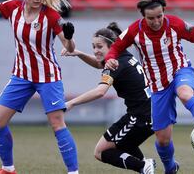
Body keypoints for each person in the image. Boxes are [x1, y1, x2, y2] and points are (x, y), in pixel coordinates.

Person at [104, 0, 194, 174]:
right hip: (157, 86)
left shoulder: (175, 24)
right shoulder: (135, 30)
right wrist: (110, 58)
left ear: (164, 12)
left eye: (159, 16)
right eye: (151, 18)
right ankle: (170, 168)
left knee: (185, 93)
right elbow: (115, 47)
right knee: (163, 139)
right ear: (143, 16)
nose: (157, 21)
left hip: (180, 71)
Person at [0, 0, 79, 174]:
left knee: (57, 124)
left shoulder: (52, 16)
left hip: (48, 77)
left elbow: (69, 48)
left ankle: (73, 172)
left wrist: (70, 38)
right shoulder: (13, 8)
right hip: (21, 75)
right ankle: (8, 169)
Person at [62, 22, 155, 174]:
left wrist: (71, 103)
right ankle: (145, 164)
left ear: (111, 46)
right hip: (150, 113)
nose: (96, 50)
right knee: (123, 145)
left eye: (99, 47)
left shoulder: (114, 63)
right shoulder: (125, 55)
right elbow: (100, 64)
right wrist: (79, 53)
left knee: (100, 152)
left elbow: (100, 91)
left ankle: (143, 166)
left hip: (140, 117)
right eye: (93, 47)